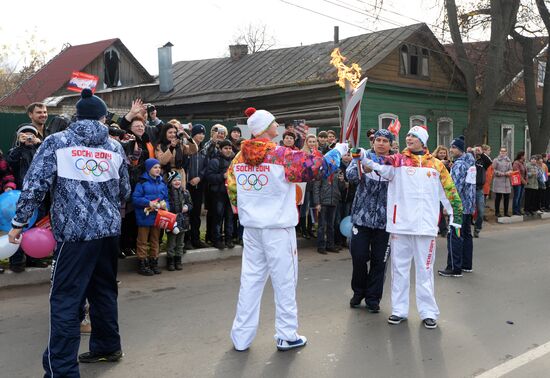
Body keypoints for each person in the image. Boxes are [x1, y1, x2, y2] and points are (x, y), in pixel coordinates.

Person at [8, 88, 130, 376]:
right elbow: (124, 190)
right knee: (103, 290)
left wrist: (18, 223)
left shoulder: (56, 142)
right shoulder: (114, 147)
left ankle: (61, 369)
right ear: (102, 118)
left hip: (75, 236)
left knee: (65, 298)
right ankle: (107, 346)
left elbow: (35, 185)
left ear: (77, 116)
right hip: (109, 233)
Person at [227, 106, 347, 351]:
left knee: (250, 281)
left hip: (251, 229)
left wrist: (244, 209)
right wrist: (337, 152)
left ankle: (241, 337)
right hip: (278, 229)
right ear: (265, 128)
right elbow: (318, 168)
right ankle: (286, 335)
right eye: (273, 122)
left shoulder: (239, 157)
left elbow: (231, 187)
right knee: (284, 282)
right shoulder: (281, 154)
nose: (277, 124)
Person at [361, 125, 462, 329]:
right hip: (400, 226)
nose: (409, 138)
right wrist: (361, 156)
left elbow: (450, 191)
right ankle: (399, 310)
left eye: (413, 136)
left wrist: (456, 217)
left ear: (423, 140)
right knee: (399, 270)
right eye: (407, 135)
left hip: (425, 228)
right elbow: (376, 165)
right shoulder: (397, 161)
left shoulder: (436, 166)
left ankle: (428, 312)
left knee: (425, 271)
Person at [347, 129, 393, 313]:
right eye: (378, 140)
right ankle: (358, 292)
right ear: (373, 142)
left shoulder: (395, 162)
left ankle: (373, 298)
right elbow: (350, 176)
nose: (381, 143)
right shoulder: (361, 156)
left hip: (385, 222)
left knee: (379, 261)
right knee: (358, 257)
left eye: (385, 141)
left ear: (390, 144)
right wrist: (362, 168)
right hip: (362, 219)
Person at [6, 124, 47, 272]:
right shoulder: (15, 151)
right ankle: (16, 262)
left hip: (38, 196)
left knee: (36, 227)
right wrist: (20, 146)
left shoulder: (40, 150)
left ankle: (34, 258)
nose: (29, 137)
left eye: (32, 135)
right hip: (19, 196)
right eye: (25, 135)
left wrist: (40, 144)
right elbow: (10, 163)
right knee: (18, 228)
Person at [438, 136, 476, 277]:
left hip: (458, 208)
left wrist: (449, 205)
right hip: (468, 206)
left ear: (460, 149)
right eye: (451, 147)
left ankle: (454, 267)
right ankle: (466, 264)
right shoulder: (469, 163)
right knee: (466, 235)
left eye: (454, 148)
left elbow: (455, 187)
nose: (451, 150)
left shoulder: (459, 165)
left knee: (454, 236)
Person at [132, 158, 170, 276]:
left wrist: (165, 205)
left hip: (158, 216)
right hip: (144, 216)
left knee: (155, 240)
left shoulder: (162, 183)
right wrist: (148, 203)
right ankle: (142, 263)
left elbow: (166, 199)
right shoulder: (142, 183)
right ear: (148, 169)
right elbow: (135, 198)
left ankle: (154, 262)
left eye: (159, 167)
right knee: (142, 241)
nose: (158, 169)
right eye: (155, 167)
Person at [206, 139, 235, 250]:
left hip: (231, 194)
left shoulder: (234, 161)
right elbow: (209, 177)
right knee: (218, 218)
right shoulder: (215, 161)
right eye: (225, 148)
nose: (228, 150)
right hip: (218, 195)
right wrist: (222, 176)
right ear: (220, 149)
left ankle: (229, 239)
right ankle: (216, 240)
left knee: (230, 218)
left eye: (230, 148)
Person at [185, 124, 208, 249]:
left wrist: (199, 177)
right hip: (187, 186)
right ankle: (186, 240)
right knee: (186, 213)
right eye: (199, 133)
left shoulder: (204, 150)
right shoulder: (187, 148)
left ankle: (196, 238)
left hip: (199, 186)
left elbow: (206, 167)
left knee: (196, 214)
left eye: (203, 133)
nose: (201, 135)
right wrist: (189, 180)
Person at [313, 160, 344, 254]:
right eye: (330, 160)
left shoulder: (338, 171)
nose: (332, 162)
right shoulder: (321, 171)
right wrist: (317, 203)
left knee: (331, 225)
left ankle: (330, 245)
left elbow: (341, 188)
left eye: (334, 160)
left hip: (334, 201)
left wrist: (342, 181)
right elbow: (316, 187)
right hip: (323, 201)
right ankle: (321, 246)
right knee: (322, 225)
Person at [166, 170, 192, 271]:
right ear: (170, 182)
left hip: (183, 221)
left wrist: (187, 207)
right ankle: (170, 261)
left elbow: (190, 204)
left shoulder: (185, 192)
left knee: (180, 242)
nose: (177, 182)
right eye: (174, 180)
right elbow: (166, 205)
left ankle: (178, 260)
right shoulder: (167, 193)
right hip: (172, 221)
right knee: (171, 242)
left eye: (179, 180)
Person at [298, 134, 318, 239]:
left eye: (314, 141)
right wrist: (313, 160)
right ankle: (303, 229)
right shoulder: (302, 152)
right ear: (306, 142)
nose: (312, 144)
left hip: (314, 183)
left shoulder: (317, 153)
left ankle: (310, 228)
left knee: (313, 206)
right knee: (304, 206)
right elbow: (303, 166)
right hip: (305, 183)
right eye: (310, 141)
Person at [474, 145, 493, 235]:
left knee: (481, 211)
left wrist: (481, 154)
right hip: (469, 189)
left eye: (479, 150)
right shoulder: (470, 160)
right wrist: (470, 152)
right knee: (466, 211)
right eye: (476, 150)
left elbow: (489, 161)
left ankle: (477, 228)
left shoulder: (483, 161)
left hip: (479, 190)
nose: (477, 151)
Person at [433, 145, 451, 236]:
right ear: (437, 153)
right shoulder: (433, 161)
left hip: (445, 188)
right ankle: (443, 229)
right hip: (435, 188)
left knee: (445, 208)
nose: (442, 154)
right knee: (439, 209)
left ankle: (444, 227)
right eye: (441, 153)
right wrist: (440, 163)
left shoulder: (448, 163)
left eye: (444, 153)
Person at [492, 147, 513, 217]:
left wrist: (509, 172)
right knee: (498, 197)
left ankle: (506, 212)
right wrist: (500, 173)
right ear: (499, 152)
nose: (502, 153)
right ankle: (497, 212)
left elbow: (511, 169)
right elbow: (493, 170)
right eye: (501, 151)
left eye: (504, 151)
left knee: (507, 197)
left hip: (506, 181)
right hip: (498, 181)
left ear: (506, 152)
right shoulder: (496, 160)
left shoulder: (508, 160)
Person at [512, 151, 527, 216]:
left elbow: (525, 172)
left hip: (523, 182)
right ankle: (515, 210)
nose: (525, 156)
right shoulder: (516, 163)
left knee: (520, 197)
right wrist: (523, 180)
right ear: (521, 156)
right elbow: (517, 173)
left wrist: (525, 180)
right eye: (524, 155)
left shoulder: (523, 163)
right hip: (517, 182)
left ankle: (519, 209)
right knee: (517, 196)